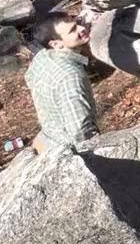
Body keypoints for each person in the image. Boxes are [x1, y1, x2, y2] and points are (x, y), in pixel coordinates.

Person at [25, 12, 97, 152]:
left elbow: (29, 78)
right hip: (68, 150)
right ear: (56, 44)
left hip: (48, 135)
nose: (81, 29)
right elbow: (81, 131)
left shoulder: (41, 57)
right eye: (72, 30)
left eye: (76, 24)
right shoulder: (70, 77)